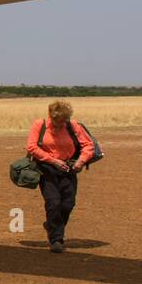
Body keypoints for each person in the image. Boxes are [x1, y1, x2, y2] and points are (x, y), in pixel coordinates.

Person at [26, 100, 95, 253]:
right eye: (59, 120)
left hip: (69, 169)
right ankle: (56, 239)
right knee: (53, 203)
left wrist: (80, 161)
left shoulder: (73, 126)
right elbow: (31, 147)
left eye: (65, 120)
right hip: (47, 169)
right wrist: (53, 161)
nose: (62, 123)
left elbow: (88, 145)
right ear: (52, 116)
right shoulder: (40, 125)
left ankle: (52, 225)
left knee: (68, 204)